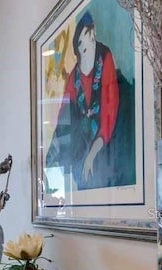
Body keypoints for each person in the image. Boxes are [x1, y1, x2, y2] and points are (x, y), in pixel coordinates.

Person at [45, 11, 124, 190]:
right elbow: (63, 118)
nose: (83, 53)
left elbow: (109, 113)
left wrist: (92, 153)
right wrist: (49, 158)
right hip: (81, 142)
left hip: (105, 142)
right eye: (80, 47)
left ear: (92, 35)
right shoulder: (75, 75)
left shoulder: (105, 59)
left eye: (88, 41)